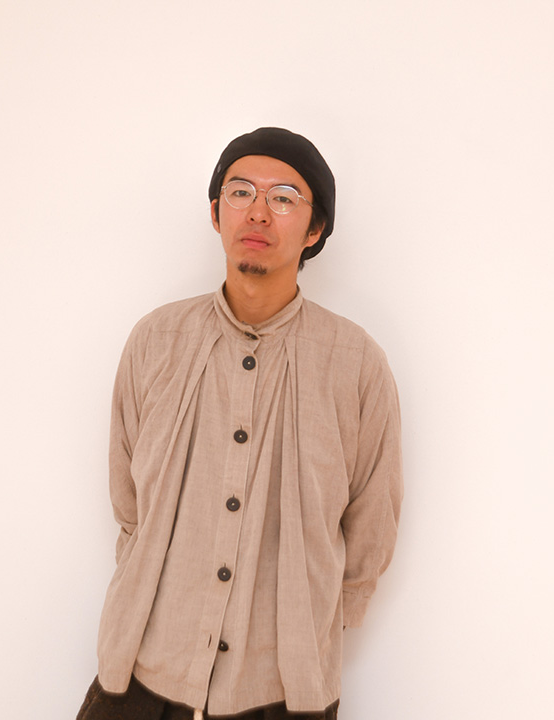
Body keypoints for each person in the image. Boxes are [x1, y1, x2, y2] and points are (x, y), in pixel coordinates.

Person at [77, 127, 403, 720]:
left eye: (283, 198)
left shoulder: (356, 363)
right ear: (215, 212)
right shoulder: (156, 341)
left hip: (283, 688)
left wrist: (318, 618)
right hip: (141, 676)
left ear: (314, 230)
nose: (258, 211)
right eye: (240, 191)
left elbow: (372, 519)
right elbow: (129, 501)